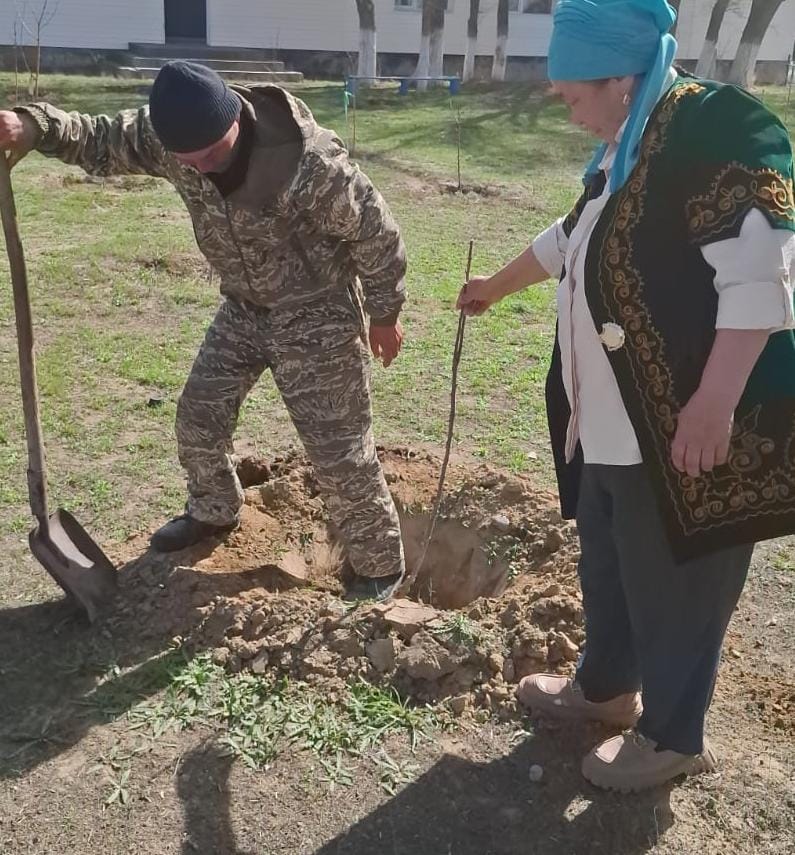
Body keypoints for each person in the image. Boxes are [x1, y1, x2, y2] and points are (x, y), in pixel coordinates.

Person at [458, 0, 795, 792]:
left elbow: (759, 278)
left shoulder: (711, 128)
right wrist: (495, 286)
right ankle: (606, 687)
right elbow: (570, 235)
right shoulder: (627, 139)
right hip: (611, 421)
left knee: (678, 585)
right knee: (608, 563)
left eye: (571, 92)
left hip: (684, 426)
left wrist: (713, 404)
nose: (562, 107)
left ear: (619, 78)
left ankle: (671, 736)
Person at [0, 61, 408, 601]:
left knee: (339, 451)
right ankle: (214, 510)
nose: (202, 169)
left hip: (317, 315)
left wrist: (384, 315)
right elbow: (101, 138)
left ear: (235, 117)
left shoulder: (309, 165)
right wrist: (33, 125)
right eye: (188, 161)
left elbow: (378, 235)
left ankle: (379, 567)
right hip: (243, 308)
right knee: (198, 418)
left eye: (212, 154)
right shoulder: (172, 141)